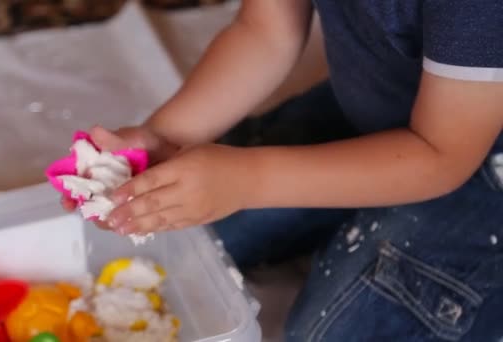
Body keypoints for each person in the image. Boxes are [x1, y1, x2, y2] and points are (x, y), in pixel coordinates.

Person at [63, 1, 503, 340]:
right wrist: (164, 136)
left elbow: (442, 154)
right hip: (392, 101)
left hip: (477, 166)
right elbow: (265, 32)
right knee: (185, 227)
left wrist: (250, 180)